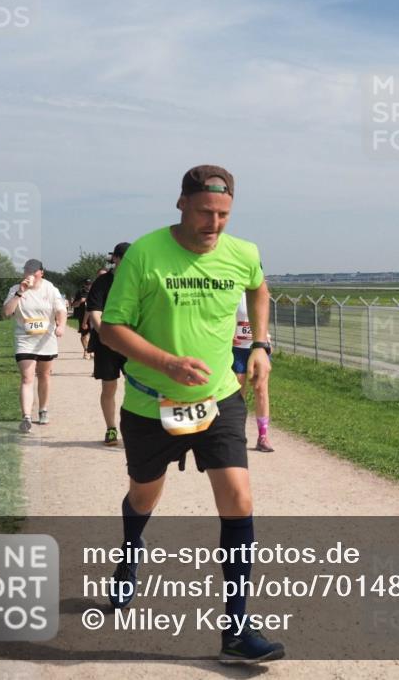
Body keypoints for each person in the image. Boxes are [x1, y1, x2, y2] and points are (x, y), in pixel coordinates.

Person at [100, 164, 284, 665]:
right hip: (150, 403)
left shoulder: (242, 253)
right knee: (144, 494)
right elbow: (111, 328)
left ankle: (237, 628)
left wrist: (261, 345)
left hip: (220, 398)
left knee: (239, 498)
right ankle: (130, 555)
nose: (214, 224)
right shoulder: (145, 253)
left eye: (224, 214)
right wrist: (166, 363)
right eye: (205, 212)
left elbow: (259, 288)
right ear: (181, 203)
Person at [1, 259, 67, 433]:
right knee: (27, 378)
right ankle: (26, 417)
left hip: (46, 339)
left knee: (44, 375)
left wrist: (61, 325)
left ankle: (43, 409)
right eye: (27, 271)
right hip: (25, 339)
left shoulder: (50, 288)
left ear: (41, 273)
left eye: (33, 271)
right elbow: (7, 313)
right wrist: (20, 293)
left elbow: (61, 310)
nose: (30, 274)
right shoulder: (16, 289)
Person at [86, 244, 131, 446]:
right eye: (126, 258)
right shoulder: (102, 283)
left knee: (138, 388)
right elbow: (95, 312)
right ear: (116, 259)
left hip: (132, 343)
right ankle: (111, 428)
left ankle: (134, 430)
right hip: (107, 343)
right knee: (109, 387)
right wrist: (107, 336)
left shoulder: (139, 280)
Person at [232, 292, 273, 452]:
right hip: (237, 349)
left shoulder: (260, 292)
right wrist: (228, 336)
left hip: (257, 348)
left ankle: (263, 437)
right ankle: (236, 435)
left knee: (261, 390)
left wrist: (266, 339)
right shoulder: (233, 289)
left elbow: (262, 319)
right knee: (237, 394)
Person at [71, 280, 93, 358]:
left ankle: (91, 351)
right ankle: (86, 350)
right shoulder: (80, 292)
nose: (88, 286)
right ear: (84, 285)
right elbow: (73, 305)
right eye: (87, 284)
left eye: (90, 284)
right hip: (82, 316)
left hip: (93, 317)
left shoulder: (95, 291)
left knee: (93, 335)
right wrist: (80, 301)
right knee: (84, 335)